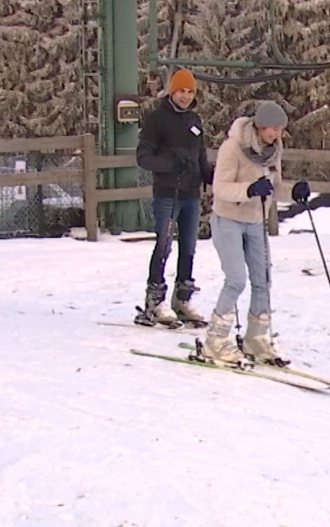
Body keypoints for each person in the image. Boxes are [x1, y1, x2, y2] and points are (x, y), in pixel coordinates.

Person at [201, 101, 313, 366]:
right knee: (236, 280)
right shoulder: (233, 147)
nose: (277, 134)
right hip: (228, 219)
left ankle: (257, 336)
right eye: (273, 129)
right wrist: (250, 189)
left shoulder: (274, 151)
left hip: (255, 221)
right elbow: (221, 188)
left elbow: (273, 187)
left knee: (263, 278)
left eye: (280, 129)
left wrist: (294, 191)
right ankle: (215, 340)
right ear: (260, 126)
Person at [134, 68, 212, 327]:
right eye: (181, 91)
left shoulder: (195, 121)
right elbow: (143, 157)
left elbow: (201, 156)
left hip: (191, 194)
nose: (186, 96)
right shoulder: (157, 120)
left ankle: (183, 297)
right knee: (165, 244)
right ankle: (155, 298)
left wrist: (208, 175)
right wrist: (169, 165)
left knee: (189, 246)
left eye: (190, 92)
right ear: (172, 91)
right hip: (168, 193)